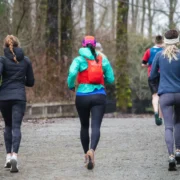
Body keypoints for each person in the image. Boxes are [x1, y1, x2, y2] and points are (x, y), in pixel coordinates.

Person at [67, 36, 114, 170]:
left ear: (82, 45)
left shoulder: (79, 59)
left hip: (82, 96)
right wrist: (103, 78)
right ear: (95, 45)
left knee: (84, 126)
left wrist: (71, 85)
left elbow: (71, 73)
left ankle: (86, 155)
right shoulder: (102, 59)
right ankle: (92, 150)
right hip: (99, 95)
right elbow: (111, 78)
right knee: (96, 126)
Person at [0, 35, 35, 173]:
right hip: (19, 97)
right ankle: (15, 156)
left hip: (3, 98)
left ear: (5, 46)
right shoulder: (26, 60)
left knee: (7, 126)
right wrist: (20, 81)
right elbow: (31, 82)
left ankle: (8, 158)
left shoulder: (2, 60)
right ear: (18, 45)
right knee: (16, 127)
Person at [150, 29, 180, 171]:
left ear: (165, 41)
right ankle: (179, 151)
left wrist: (157, 90)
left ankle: (171, 156)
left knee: (168, 126)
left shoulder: (159, 56)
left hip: (165, 95)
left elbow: (152, 76)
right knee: (179, 122)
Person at [141, 35, 164, 126]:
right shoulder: (165, 50)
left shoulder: (149, 51)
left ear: (155, 41)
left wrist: (149, 65)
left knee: (155, 96)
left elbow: (143, 64)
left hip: (151, 75)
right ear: (162, 41)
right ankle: (161, 118)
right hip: (163, 75)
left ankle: (155, 113)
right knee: (162, 96)